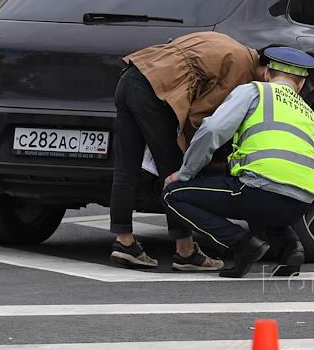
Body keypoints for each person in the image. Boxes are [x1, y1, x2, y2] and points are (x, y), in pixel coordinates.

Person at [162, 46, 314, 279]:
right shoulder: (310, 114)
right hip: (301, 203)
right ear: (301, 84)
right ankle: (291, 248)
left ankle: (242, 244)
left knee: (172, 195)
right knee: (263, 201)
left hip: (259, 191)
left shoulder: (254, 91)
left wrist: (186, 172)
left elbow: (212, 129)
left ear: (266, 74)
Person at [108, 32, 259, 271]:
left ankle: (124, 241)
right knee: (174, 169)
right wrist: (200, 156)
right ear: (265, 71)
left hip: (131, 76)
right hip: (154, 92)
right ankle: (185, 251)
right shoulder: (243, 69)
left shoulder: (228, 43)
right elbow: (202, 116)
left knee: (126, 166)